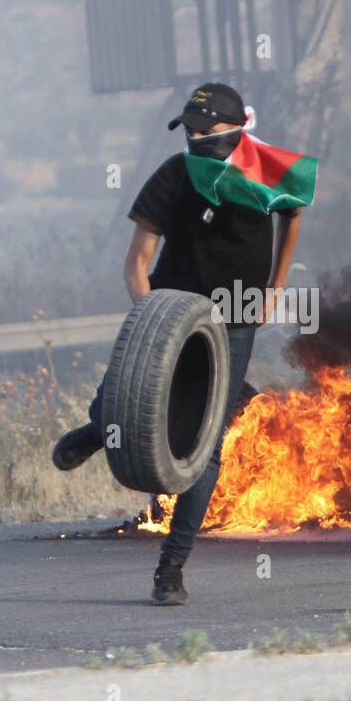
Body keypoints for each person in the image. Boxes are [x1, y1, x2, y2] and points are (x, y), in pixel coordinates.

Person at [52, 82, 303, 605]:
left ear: (236, 129)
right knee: (124, 401)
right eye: (187, 130)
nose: (193, 138)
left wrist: (275, 289)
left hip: (233, 320)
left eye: (203, 130)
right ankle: (99, 429)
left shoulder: (268, 171)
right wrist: (149, 319)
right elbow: (136, 262)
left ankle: (171, 567)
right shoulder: (172, 176)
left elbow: (293, 213)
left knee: (204, 447)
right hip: (171, 313)